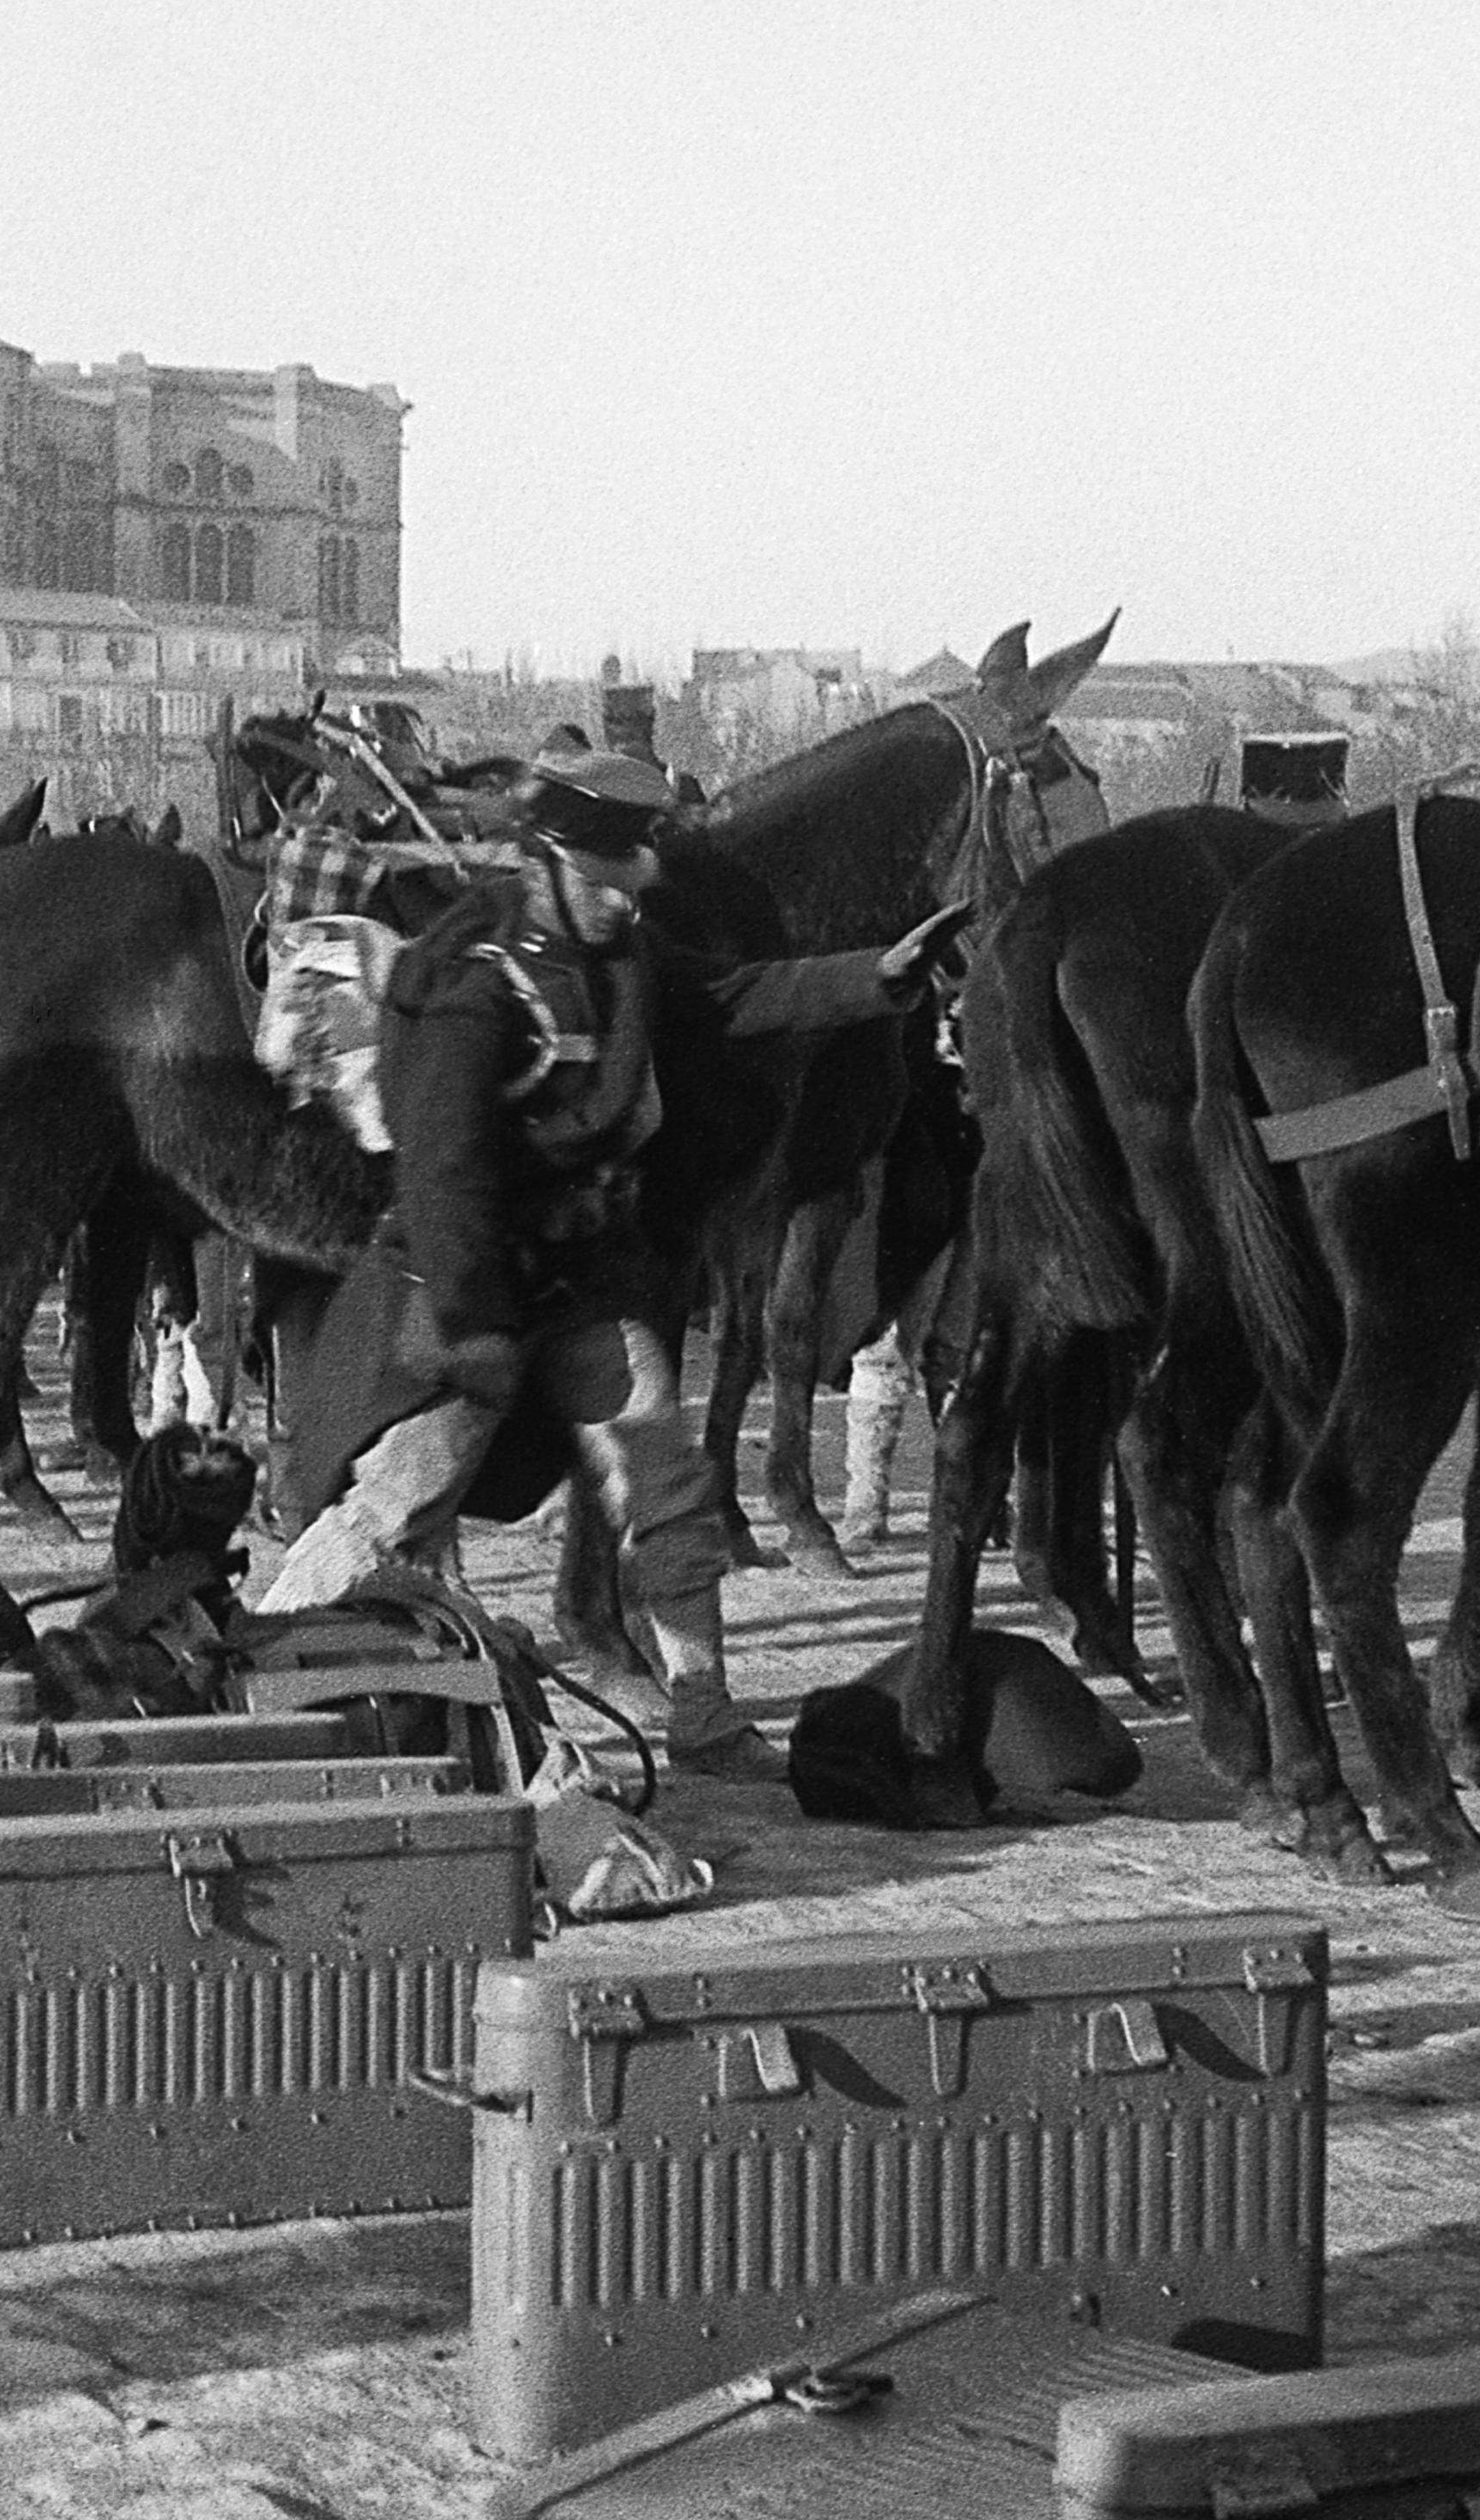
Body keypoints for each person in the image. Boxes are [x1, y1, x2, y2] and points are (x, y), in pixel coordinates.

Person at [254, 749, 955, 1776]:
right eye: (607, 872)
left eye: (633, 872)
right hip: (468, 1289)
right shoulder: (468, 981)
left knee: (666, 1481)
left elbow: (727, 994)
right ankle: (256, 1663)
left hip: (587, 1278)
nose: (631, 895)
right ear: (543, 865)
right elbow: (444, 1175)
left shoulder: (619, 954)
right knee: (403, 1496)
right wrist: (476, 1326)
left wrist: (873, 977)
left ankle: (703, 1713)